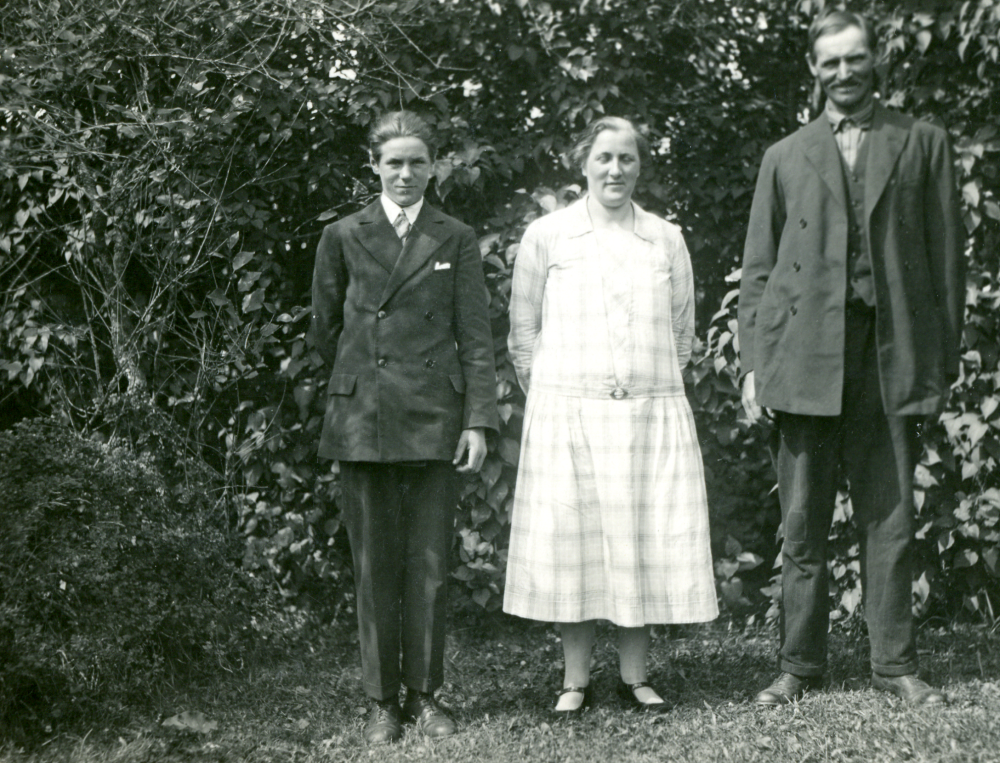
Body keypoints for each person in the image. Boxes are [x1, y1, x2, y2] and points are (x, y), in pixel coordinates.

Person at [738, 8, 963, 707]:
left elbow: (947, 261)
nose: (843, 72)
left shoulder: (921, 142)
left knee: (890, 517)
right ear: (813, 68)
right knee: (801, 522)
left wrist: (939, 363)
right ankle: (799, 664)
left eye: (854, 59)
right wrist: (754, 364)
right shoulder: (785, 155)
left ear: (875, 61)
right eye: (830, 61)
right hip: (803, 359)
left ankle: (894, 662)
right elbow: (758, 270)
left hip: (887, 355)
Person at [504, 116, 719, 714]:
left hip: (647, 417)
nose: (615, 170)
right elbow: (524, 337)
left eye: (626, 158)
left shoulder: (664, 238)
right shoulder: (548, 235)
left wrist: (640, 387)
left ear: (640, 166)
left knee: (639, 541)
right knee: (575, 544)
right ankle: (574, 680)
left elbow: (682, 333)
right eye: (604, 158)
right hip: (568, 415)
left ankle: (634, 675)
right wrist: (563, 392)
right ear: (583, 164)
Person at [312, 111, 499, 743]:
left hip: (434, 420)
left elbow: (475, 338)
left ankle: (424, 695)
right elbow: (326, 329)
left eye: (418, 161)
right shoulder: (342, 234)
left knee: (428, 565)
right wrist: (357, 383)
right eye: (394, 161)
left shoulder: (455, 236)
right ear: (374, 166)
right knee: (373, 566)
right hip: (365, 417)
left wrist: (476, 421)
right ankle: (379, 702)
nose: (406, 173)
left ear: (435, 165)